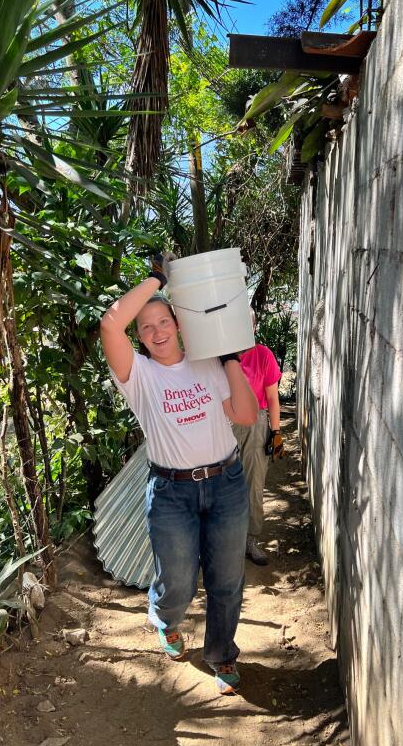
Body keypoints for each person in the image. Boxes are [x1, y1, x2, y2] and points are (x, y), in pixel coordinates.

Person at [100, 254, 258, 694]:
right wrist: (158, 279)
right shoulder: (138, 375)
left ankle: (221, 654)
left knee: (227, 578)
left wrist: (229, 359)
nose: (156, 331)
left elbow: (245, 416)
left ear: (179, 323)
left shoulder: (209, 363)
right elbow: (110, 326)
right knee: (180, 579)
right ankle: (166, 619)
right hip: (171, 492)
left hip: (225, 484)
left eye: (163, 321)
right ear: (139, 338)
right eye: (146, 327)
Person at [233, 310, 284, 566]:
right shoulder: (220, 356)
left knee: (253, 481)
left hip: (256, 423)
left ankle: (250, 539)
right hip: (224, 424)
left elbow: (273, 398)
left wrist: (276, 432)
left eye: (247, 323)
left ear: (254, 327)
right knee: (222, 482)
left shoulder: (262, 354)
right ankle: (224, 541)